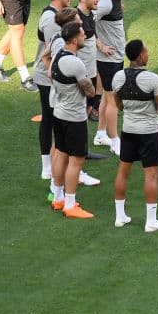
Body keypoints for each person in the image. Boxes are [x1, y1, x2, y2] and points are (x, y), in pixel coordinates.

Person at [113, 39, 158, 232]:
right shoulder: (152, 79)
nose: (148, 53)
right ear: (140, 55)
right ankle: (151, 221)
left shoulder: (118, 77)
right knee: (151, 175)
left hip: (128, 130)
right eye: (146, 51)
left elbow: (119, 104)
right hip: (149, 132)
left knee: (123, 172)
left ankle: (120, 216)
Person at [48, 21, 97, 219]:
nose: (85, 36)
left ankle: (58, 198)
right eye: (83, 34)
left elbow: (50, 74)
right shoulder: (76, 63)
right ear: (75, 39)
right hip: (74, 117)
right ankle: (70, 204)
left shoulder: (58, 55)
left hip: (59, 112)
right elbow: (90, 90)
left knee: (60, 154)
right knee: (76, 160)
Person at [33, 0, 73, 179]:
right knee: (50, 119)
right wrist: (57, 76)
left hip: (54, 76)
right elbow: (51, 53)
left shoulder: (59, 15)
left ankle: (64, 160)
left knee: (57, 119)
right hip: (48, 77)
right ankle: (48, 166)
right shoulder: (50, 20)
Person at [92, 0, 132, 151]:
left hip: (114, 56)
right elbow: (84, 21)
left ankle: (101, 135)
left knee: (106, 99)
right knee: (113, 99)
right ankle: (115, 141)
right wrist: (100, 46)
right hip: (107, 59)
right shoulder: (106, 2)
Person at [75, 0, 102, 121]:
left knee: (89, 103)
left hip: (90, 70)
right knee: (78, 106)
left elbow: (92, 34)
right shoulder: (75, 18)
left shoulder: (91, 13)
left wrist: (100, 46)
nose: (98, 0)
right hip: (79, 72)